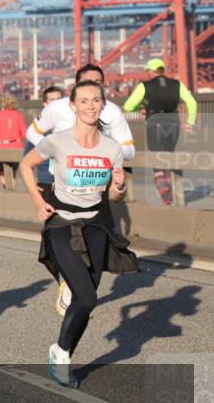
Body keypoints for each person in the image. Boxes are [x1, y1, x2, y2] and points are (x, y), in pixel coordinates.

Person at [18, 78, 138, 389]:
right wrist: (38, 200)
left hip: (96, 226)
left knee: (86, 300)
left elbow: (114, 197)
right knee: (86, 297)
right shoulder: (58, 141)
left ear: (103, 105)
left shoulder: (113, 149)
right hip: (61, 224)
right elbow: (26, 165)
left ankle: (61, 350)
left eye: (95, 100)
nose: (89, 106)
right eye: (83, 101)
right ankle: (61, 358)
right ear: (73, 106)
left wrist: (120, 186)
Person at [26, 65, 137, 317]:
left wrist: (109, 157)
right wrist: (52, 152)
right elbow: (32, 133)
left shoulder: (113, 113)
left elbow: (128, 147)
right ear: (73, 96)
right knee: (66, 244)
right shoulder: (56, 108)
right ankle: (71, 285)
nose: (91, 101)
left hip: (98, 186)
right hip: (62, 189)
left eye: (97, 86)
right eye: (86, 87)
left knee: (94, 260)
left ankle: (80, 292)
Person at [123, 58, 198, 206]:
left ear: (151, 71)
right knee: (167, 157)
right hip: (174, 123)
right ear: (162, 70)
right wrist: (190, 122)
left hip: (154, 123)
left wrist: (141, 109)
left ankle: (165, 195)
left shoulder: (144, 86)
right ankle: (170, 192)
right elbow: (192, 103)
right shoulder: (177, 84)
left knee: (156, 159)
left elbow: (128, 106)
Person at [22, 86, 64, 188]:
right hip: (46, 182)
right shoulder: (37, 131)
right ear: (45, 104)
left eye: (59, 100)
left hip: (70, 184)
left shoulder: (73, 125)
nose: (56, 103)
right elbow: (26, 160)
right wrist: (32, 182)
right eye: (52, 100)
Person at [0, 93, 27, 189]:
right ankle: (13, 194)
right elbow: (24, 133)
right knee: (13, 174)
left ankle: (7, 187)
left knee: (1, 173)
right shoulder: (18, 115)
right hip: (17, 146)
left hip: (3, 147)